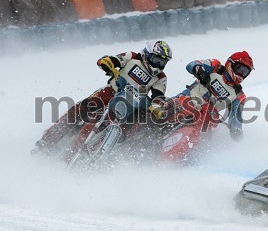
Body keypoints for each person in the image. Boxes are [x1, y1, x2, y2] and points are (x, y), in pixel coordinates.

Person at [33, 40, 173, 155]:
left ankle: (92, 152)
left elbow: (158, 96)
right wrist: (107, 63)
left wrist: (157, 106)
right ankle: (47, 141)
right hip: (111, 91)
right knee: (82, 108)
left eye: (163, 63)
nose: (159, 65)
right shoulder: (132, 56)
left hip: (131, 105)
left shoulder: (161, 78)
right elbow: (113, 60)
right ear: (147, 54)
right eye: (156, 60)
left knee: (126, 129)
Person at [150, 51, 254, 142]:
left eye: (245, 72)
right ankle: (144, 133)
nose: (241, 75)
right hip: (184, 100)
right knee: (157, 114)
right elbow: (192, 64)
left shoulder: (239, 96)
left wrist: (236, 131)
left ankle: (190, 159)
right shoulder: (215, 66)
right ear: (231, 64)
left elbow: (236, 119)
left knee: (205, 141)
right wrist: (200, 71)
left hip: (203, 120)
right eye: (240, 69)